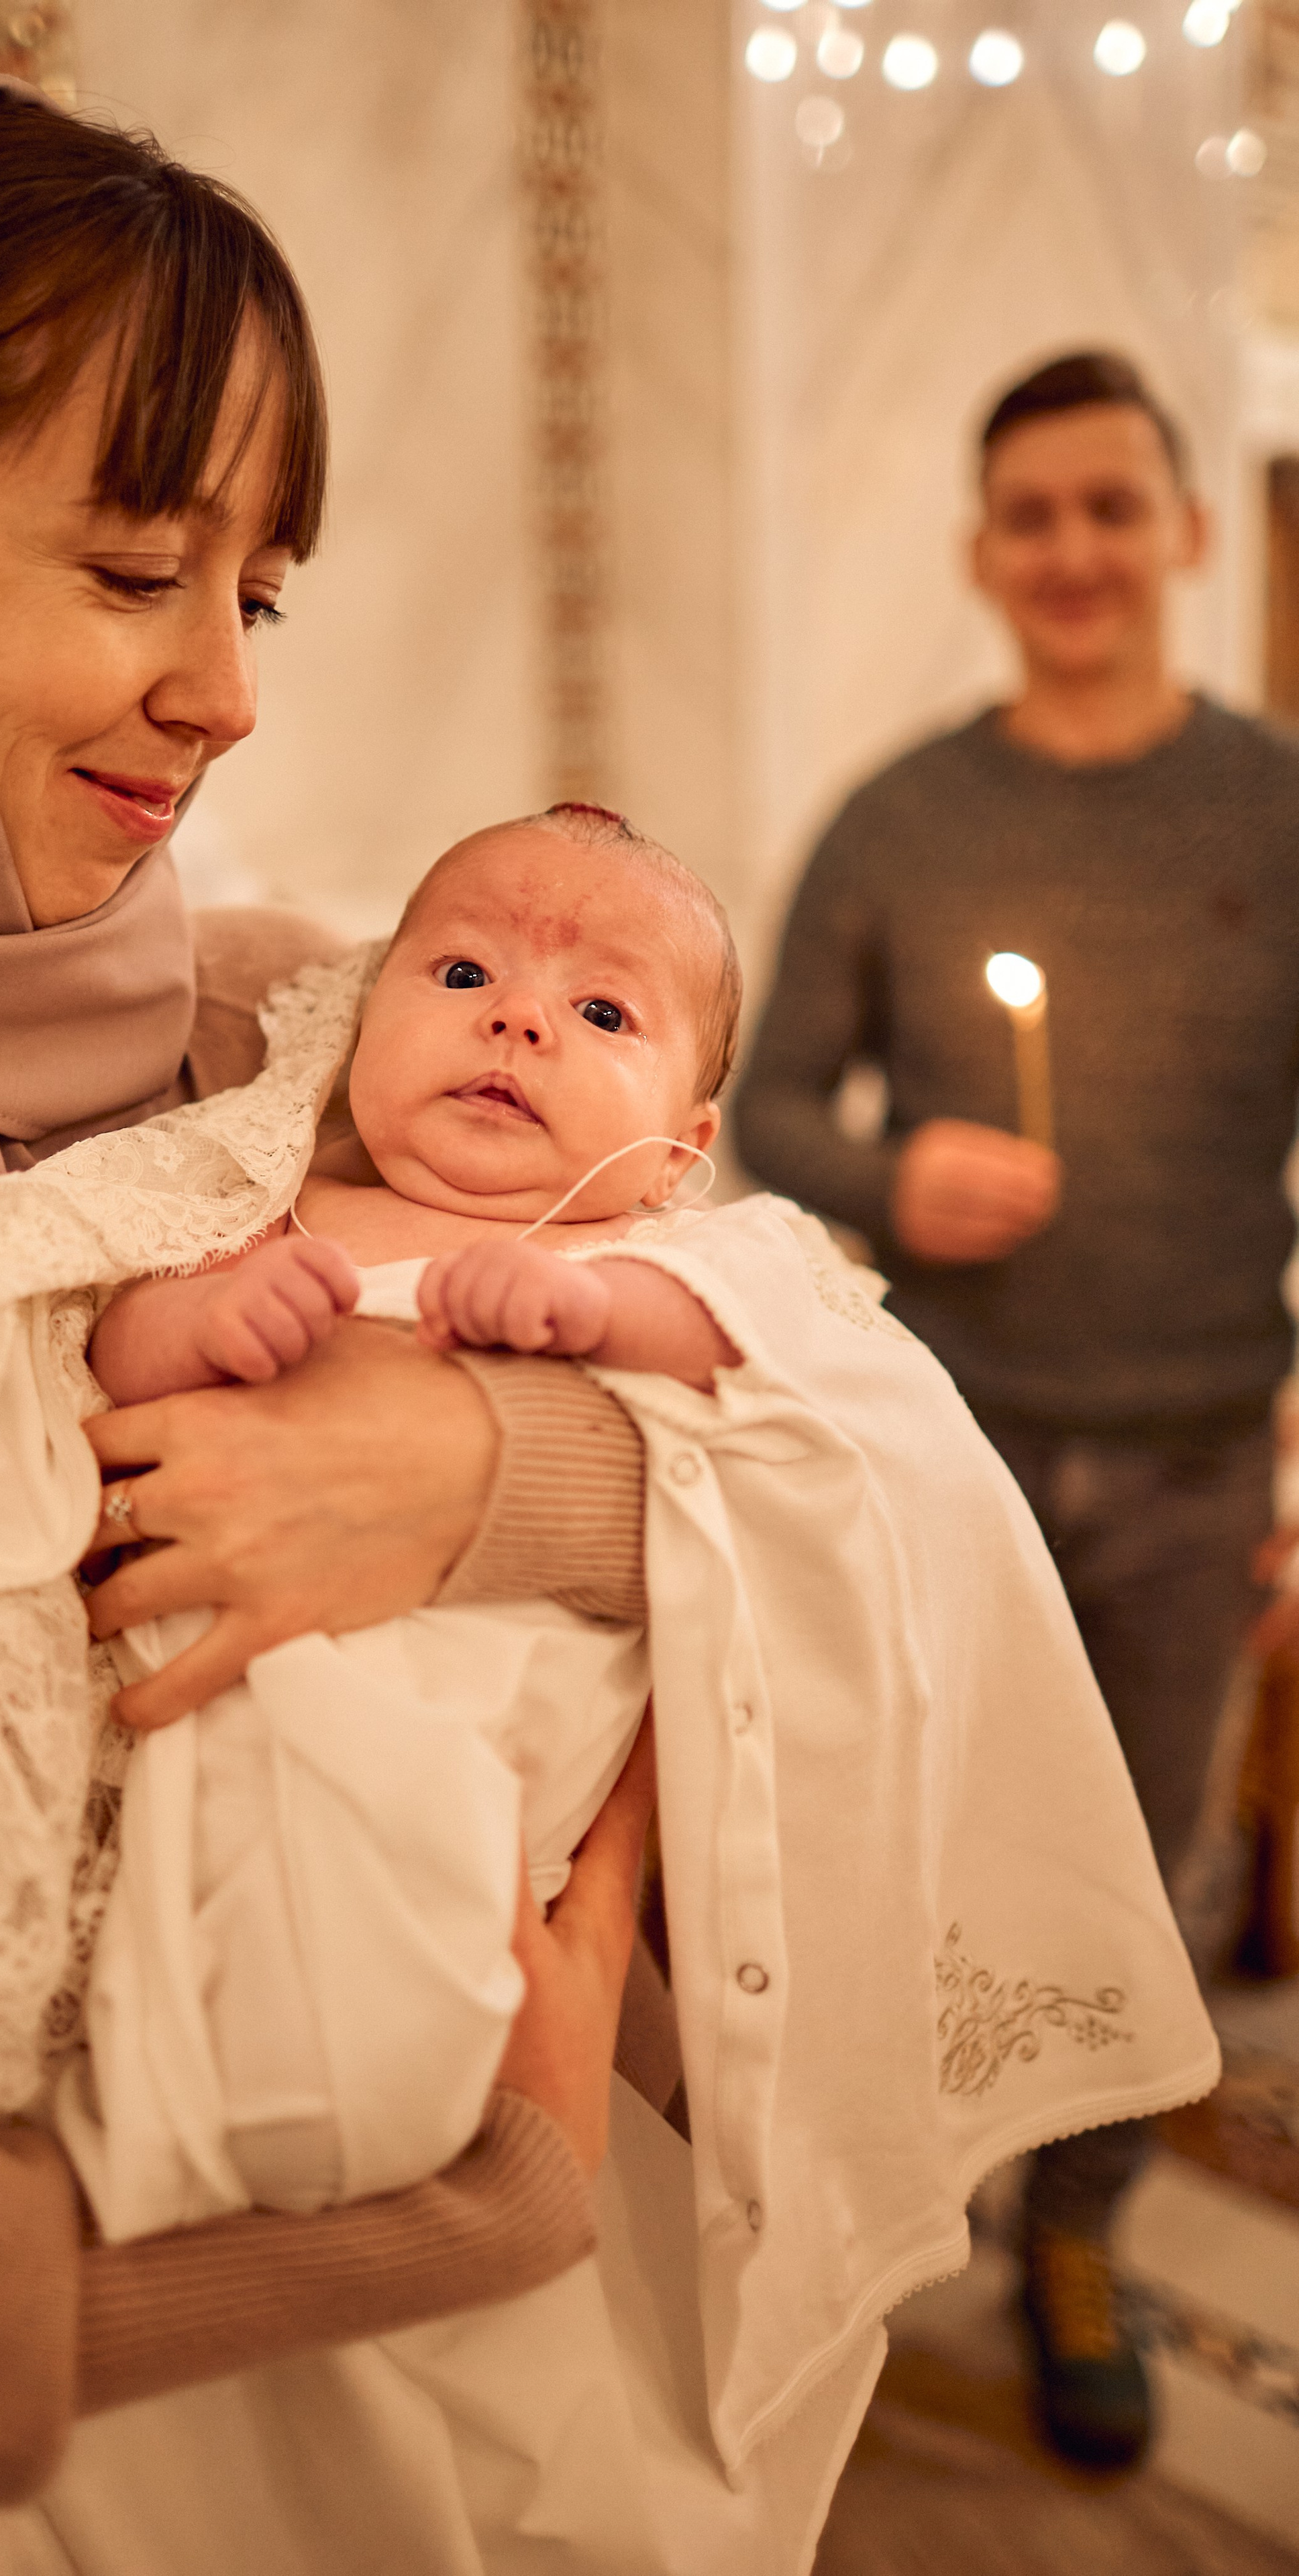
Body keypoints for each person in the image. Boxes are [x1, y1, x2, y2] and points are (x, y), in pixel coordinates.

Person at [0, 807, 1220, 2575]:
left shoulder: (685, 1258)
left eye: (604, 1013)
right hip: (212, 1792)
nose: (520, 1021)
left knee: (475, 2267)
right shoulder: (249, 1199)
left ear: (682, 1147)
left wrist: (594, 1323)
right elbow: (96, 1356)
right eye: (464, 972)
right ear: (361, 1020)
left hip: (497, 1814)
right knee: (222, 2180)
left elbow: (807, 1381)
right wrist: (204, 1327)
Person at [0, 82, 667, 2548]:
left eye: (253, 594)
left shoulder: (302, 1034)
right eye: (133, 568)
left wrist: (481, 1476)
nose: (230, 697)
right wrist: (438, 2222)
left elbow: (840, 1409)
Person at [732, 347, 1299, 2471]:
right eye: (1032, 515)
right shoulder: (902, 818)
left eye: (1109, 507)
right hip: (938, 1455)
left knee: (1133, 1882)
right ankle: (881, 2233)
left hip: (1191, 1462)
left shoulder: (1277, 807)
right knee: (895, 1861)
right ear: (985, 554)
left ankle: (1077, 2236)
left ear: (1187, 532)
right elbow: (771, 1100)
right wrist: (897, 1178)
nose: (1073, 550)